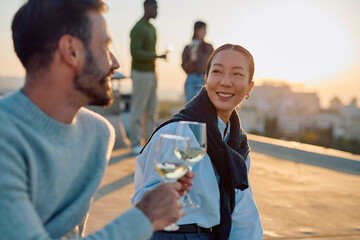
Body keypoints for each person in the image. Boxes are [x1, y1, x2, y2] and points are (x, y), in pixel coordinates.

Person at [0, 0, 193, 239]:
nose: (115, 63)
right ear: (71, 50)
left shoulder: (97, 133)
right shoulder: (5, 139)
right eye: (105, 46)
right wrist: (143, 218)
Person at [132, 44, 263, 239]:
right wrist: (168, 192)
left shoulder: (238, 145)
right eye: (217, 72)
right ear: (206, 79)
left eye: (237, 74)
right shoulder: (176, 132)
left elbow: (243, 214)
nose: (225, 82)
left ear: (249, 87)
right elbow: (142, 205)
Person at [129, 0, 167, 154]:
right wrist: (156, 56)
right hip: (141, 73)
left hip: (152, 73)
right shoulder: (138, 28)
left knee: (152, 110)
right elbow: (135, 52)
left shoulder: (152, 28)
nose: (157, 11)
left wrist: (156, 57)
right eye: (155, 8)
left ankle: (149, 142)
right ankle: (135, 143)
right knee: (138, 109)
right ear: (148, 8)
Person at [181, 21, 214, 103]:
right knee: (189, 105)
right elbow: (184, 66)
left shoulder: (209, 47)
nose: (205, 32)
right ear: (197, 30)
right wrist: (192, 61)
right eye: (204, 30)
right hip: (191, 79)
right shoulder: (188, 48)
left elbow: (214, 64)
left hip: (203, 79)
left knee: (200, 105)